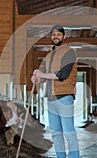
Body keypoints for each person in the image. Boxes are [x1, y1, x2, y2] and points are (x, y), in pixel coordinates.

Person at [31, 25, 80, 158]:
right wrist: (36, 78)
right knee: (56, 133)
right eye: (53, 34)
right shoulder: (48, 56)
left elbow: (61, 75)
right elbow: (44, 77)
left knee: (69, 132)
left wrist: (41, 74)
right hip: (51, 98)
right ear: (51, 37)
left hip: (64, 98)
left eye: (58, 34)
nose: (56, 36)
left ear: (64, 36)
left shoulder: (69, 52)